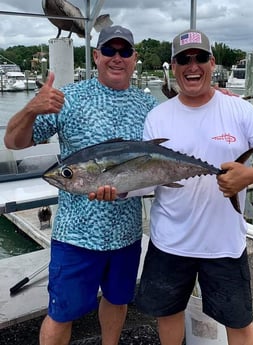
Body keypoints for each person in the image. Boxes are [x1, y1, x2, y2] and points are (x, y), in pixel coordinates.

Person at [93, 29, 253, 345]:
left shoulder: (239, 110)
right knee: (168, 315)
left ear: (212, 63)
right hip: (169, 242)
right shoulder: (157, 116)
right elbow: (145, 176)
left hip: (224, 243)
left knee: (239, 323)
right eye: (183, 59)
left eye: (200, 57)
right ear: (173, 66)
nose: (192, 66)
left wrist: (251, 176)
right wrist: (115, 190)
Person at [4, 25, 158, 345]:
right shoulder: (69, 98)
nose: (117, 58)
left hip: (127, 232)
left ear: (134, 59)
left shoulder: (150, 107)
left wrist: (216, 97)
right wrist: (32, 108)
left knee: (117, 301)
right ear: (96, 55)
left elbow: (179, 140)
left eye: (125, 51)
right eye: (110, 51)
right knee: (63, 312)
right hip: (75, 235)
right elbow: (14, 141)